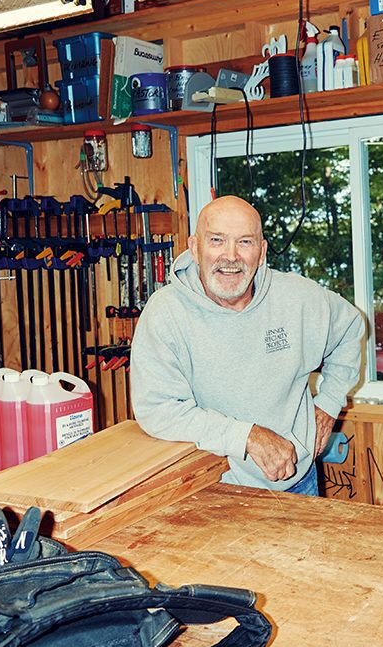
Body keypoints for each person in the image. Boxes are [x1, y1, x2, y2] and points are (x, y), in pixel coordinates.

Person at [131, 196, 364, 496]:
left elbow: (350, 327)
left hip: (299, 483)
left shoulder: (298, 298)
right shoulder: (165, 314)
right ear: (194, 247)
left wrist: (329, 403)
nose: (231, 256)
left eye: (245, 242)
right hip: (213, 487)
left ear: (262, 251)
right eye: (216, 240)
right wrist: (247, 437)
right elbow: (157, 410)